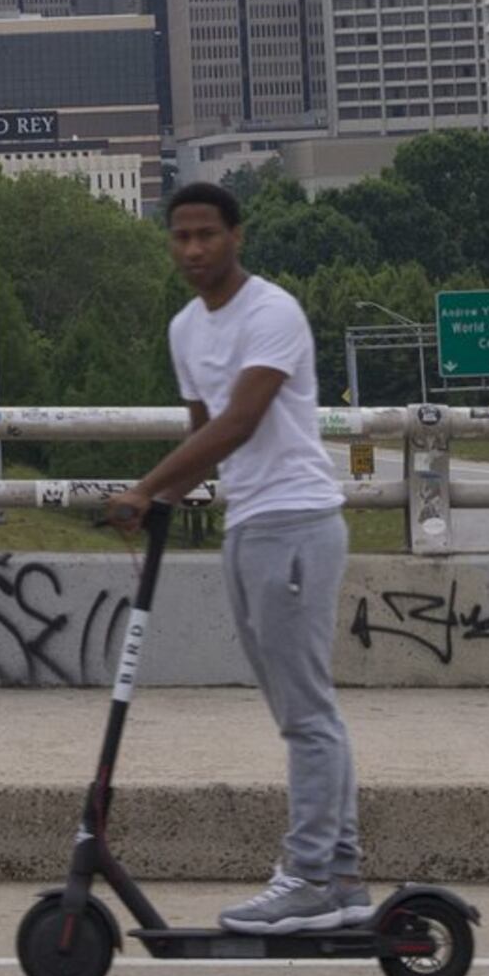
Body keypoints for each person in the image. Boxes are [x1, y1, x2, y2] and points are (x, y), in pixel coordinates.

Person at [106, 178, 365, 933]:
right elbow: (203, 438)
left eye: (206, 235)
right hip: (247, 525)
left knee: (306, 713)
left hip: (297, 522)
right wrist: (162, 495)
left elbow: (244, 419)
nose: (192, 249)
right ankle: (342, 876)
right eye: (180, 236)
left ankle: (313, 874)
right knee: (301, 710)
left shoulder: (272, 312)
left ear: (236, 235)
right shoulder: (186, 327)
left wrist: (145, 484)